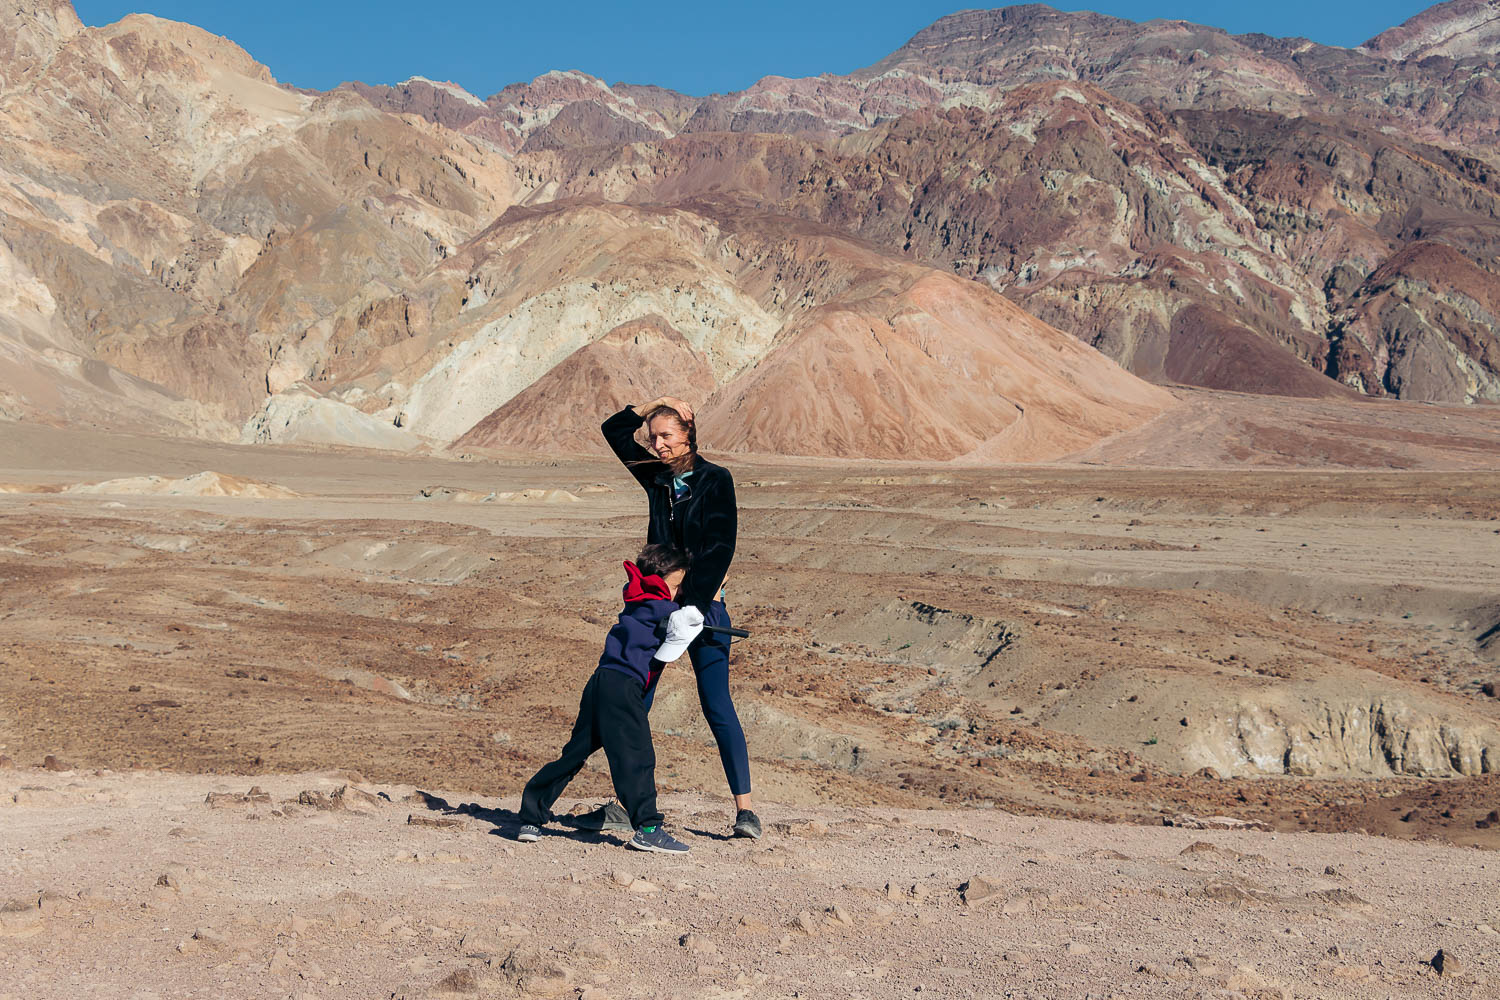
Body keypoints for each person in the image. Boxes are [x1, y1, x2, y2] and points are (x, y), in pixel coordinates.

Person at [597, 396, 762, 840]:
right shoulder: (656, 478)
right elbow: (613, 432)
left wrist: (692, 602)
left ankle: (745, 811)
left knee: (717, 705)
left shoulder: (715, 480)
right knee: (638, 701)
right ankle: (624, 802)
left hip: (703, 607)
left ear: (689, 434)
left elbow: (721, 545)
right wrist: (654, 405)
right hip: (655, 607)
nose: (659, 444)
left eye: (667, 434)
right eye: (654, 437)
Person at [515, 543, 704, 854]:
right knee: (637, 756)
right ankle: (648, 828)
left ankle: (531, 818)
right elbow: (682, 625)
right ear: (660, 581)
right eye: (675, 585)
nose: (678, 591)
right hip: (624, 687)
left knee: (574, 753)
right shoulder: (666, 611)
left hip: (599, 681)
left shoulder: (635, 600)